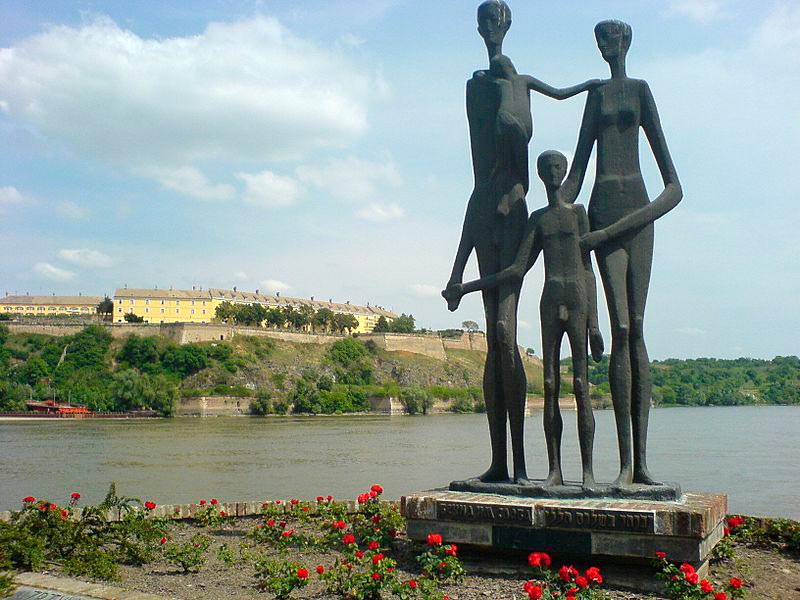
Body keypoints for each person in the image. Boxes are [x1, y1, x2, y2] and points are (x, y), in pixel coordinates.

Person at [444, 0, 600, 484]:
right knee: (495, 339)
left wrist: (586, 89)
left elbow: (527, 120)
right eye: (485, 22)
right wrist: (455, 275)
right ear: (478, 27)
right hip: (484, 211)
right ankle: (501, 462)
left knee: (507, 336)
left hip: (510, 215)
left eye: (498, 21)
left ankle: (523, 462)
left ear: (506, 25)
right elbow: (475, 202)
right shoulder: (475, 88)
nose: (492, 28)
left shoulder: (516, 85)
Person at [559, 20, 683, 488]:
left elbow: (674, 187)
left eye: (611, 39)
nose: (605, 47)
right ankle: (625, 461)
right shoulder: (596, 98)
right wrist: (553, 215)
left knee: (638, 329)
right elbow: (577, 168)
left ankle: (642, 463)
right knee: (622, 326)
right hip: (602, 211)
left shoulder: (639, 91)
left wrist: (621, 226)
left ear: (626, 43)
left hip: (635, 215)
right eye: (599, 41)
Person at [444, 150, 603, 489]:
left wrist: (594, 324)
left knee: (580, 385)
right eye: (547, 168)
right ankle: (554, 470)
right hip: (550, 301)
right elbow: (516, 270)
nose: (554, 173)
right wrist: (466, 286)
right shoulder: (538, 220)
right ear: (540, 174)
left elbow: (588, 271)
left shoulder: (578, 214)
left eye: (559, 167)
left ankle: (588, 473)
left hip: (576, 300)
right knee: (548, 386)